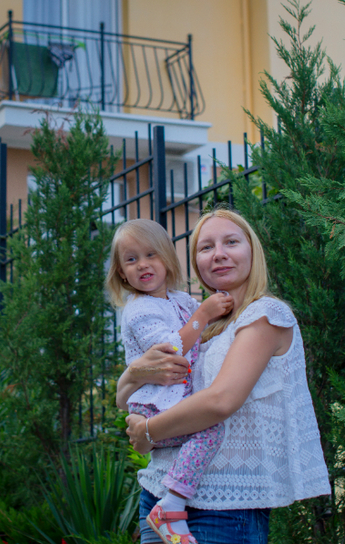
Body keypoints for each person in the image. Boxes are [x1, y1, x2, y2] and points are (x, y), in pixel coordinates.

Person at [118, 209, 331, 544]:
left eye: (231, 242)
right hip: (156, 493)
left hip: (224, 505)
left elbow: (221, 400)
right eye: (206, 247)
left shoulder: (266, 315)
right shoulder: (203, 326)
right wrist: (134, 373)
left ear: (252, 250)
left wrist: (148, 431)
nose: (218, 253)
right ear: (196, 261)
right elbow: (125, 395)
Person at [107, 219, 234, 544]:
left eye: (151, 254)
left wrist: (216, 310)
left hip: (171, 402)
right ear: (122, 272)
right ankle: (172, 505)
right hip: (156, 405)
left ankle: (172, 503)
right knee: (210, 430)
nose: (142, 264)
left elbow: (205, 331)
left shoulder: (179, 300)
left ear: (166, 258)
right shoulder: (138, 310)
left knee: (202, 431)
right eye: (131, 259)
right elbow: (170, 350)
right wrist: (203, 314)